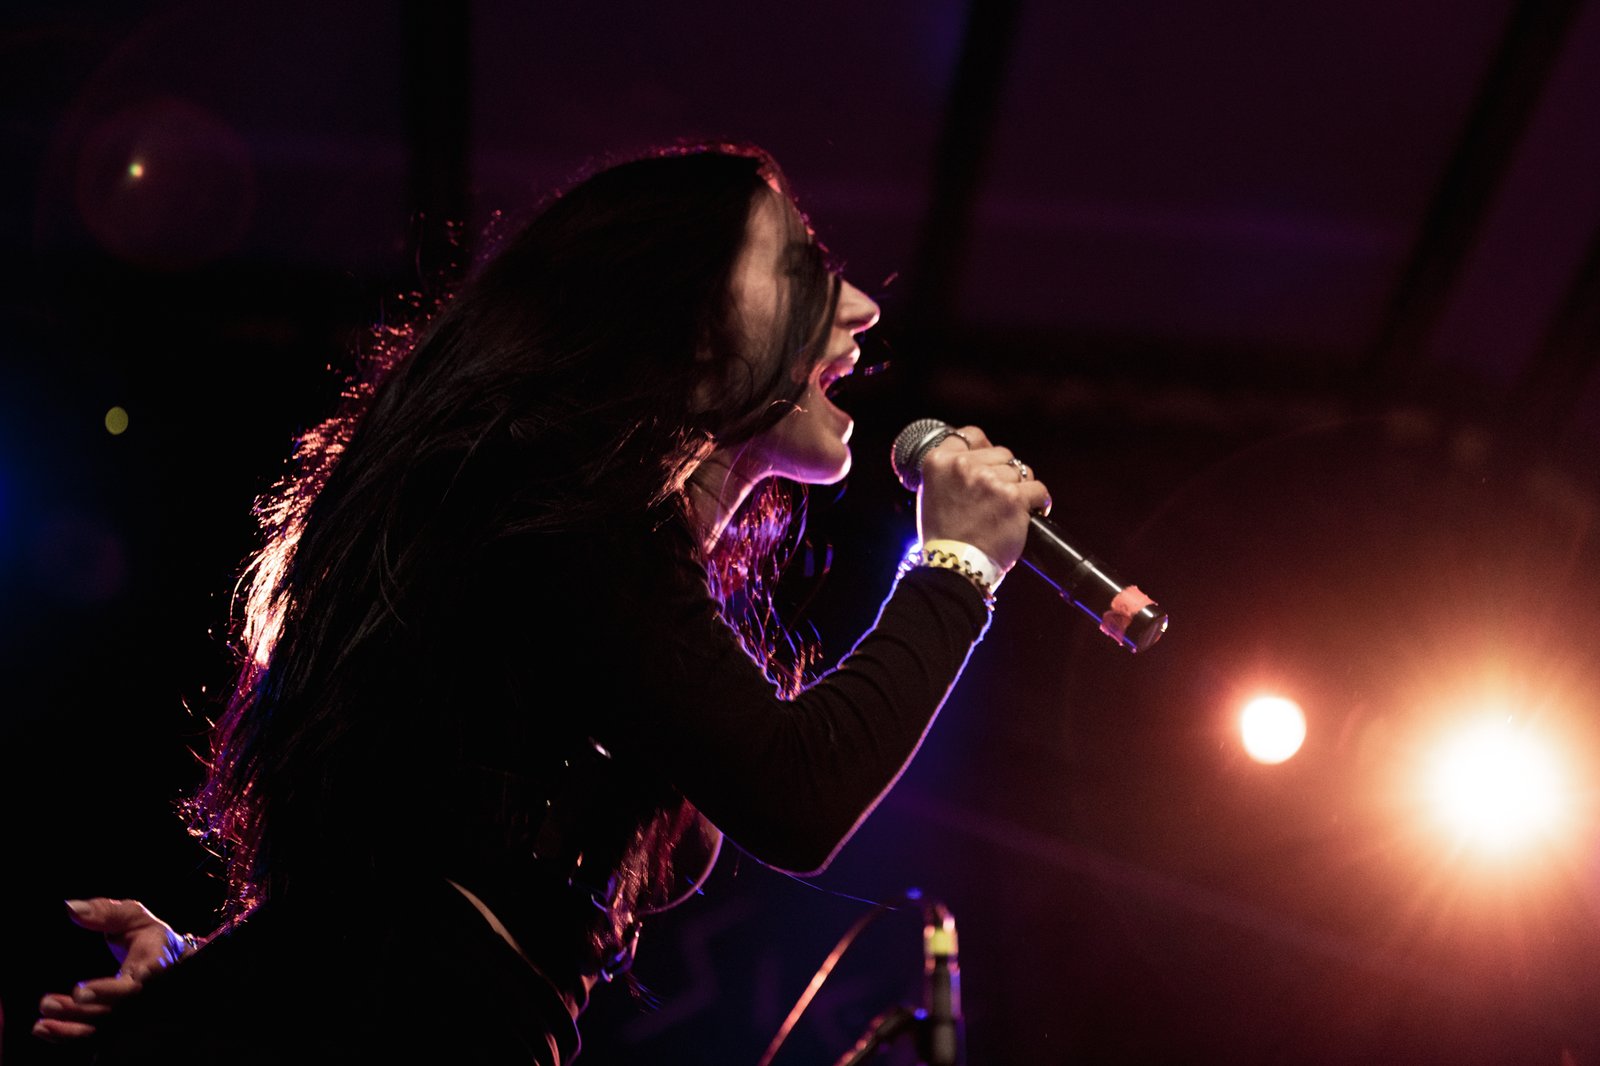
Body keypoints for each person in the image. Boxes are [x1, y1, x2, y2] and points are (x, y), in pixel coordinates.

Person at [33, 143, 1050, 1063]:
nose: (860, 305)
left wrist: (213, 977)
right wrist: (957, 563)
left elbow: (408, 881)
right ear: (680, 312)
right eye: (800, 266)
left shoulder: (591, 547)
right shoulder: (556, 515)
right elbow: (796, 791)